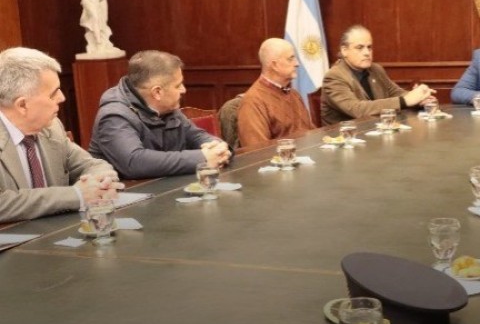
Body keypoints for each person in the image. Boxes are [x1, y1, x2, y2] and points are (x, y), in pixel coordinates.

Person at [0, 47, 122, 222]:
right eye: (53, 94)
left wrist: (101, 185)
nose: (63, 98)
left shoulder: (52, 127)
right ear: (22, 105)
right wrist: (76, 195)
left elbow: (93, 165)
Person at [89, 50, 231, 179]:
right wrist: (202, 157)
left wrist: (219, 149)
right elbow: (135, 162)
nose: (183, 90)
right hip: (126, 199)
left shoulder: (167, 108)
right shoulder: (114, 116)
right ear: (157, 92)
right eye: (178, 85)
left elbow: (197, 136)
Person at [321, 25, 435, 125]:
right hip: (345, 139)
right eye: (360, 48)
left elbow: (395, 92)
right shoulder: (334, 77)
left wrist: (419, 98)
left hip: (376, 132)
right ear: (344, 50)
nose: (367, 53)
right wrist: (405, 100)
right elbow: (358, 110)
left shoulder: (375, 69)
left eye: (369, 47)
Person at [237, 38, 315, 147]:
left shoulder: (294, 94)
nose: (297, 63)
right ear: (274, 65)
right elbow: (256, 151)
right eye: (291, 59)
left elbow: (311, 133)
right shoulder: (253, 101)